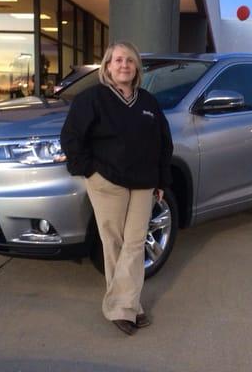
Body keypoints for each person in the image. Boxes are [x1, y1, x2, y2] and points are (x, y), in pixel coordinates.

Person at [60, 41, 173, 336]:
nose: (124, 65)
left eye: (130, 61)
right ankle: (129, 307)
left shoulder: (148, 102)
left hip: (144, 184)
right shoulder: (92, 99)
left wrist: (161, 180)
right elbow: (71, 137)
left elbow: (163, 143)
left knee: (135, 244)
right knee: (113, 243)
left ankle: (122, 306)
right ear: (107, 66)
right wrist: (89, 171)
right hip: (107, 181)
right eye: (118, 60)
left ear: (136, 69)